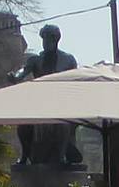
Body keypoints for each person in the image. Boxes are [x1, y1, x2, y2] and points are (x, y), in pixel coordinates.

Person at [10, 25, 81, 166]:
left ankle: (62, 154)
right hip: (40, 103)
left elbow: (76, 81)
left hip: (61, 103)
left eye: (49, 39)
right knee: (23, 125)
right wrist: (14, 76)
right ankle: (25, 155)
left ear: (56, 40)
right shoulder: (35, 60)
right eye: (44, 39)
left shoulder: (68, 60)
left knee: (64, 124)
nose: (46, 42)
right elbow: (22, 71)